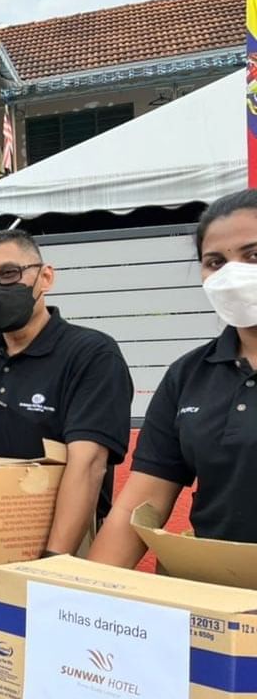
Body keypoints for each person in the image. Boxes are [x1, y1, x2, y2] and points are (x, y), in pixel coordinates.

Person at [0, 229, 133, 699]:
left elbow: (87, 464)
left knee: (58, 677)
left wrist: (52, 568)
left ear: (44, 277)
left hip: (62, 545)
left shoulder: (91, 354)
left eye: (8, 274)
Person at [89, 190, 257, 564]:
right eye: (215, 262)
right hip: (218, 599)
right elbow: (142, 503)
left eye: (253, 255)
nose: (232, 274)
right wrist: (82, 597)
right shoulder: (188, 375)